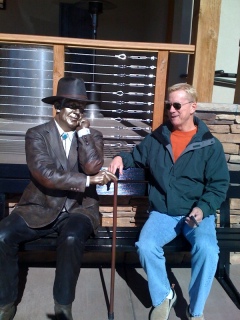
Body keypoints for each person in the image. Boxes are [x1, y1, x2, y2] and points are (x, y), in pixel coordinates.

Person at [108, 83, 229, 320]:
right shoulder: (157, 139)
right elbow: (135, 156)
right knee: (146, 245)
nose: (171, 110)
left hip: (196, 214)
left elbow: (218, 186)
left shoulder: (210, 145)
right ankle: (164, 295)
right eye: (168, 105)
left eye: (177, 105)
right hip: (164, 212)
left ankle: (195, 311)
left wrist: (202, 209)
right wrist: (120, 157)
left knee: (207, 249)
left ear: (193, 107)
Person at [0, 76, 117, 320]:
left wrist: (83, 134)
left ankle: (63, 304)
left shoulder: (91, 135)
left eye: (81, 107)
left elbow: (93, 167)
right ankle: (6, 302)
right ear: (58, 106)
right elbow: (44, 174)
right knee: (2, 236)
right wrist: (86, 181)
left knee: (73, 237)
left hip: (79, 208)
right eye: (71, 105)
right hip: (40, 205)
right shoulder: (36, 135)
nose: (77, 111)